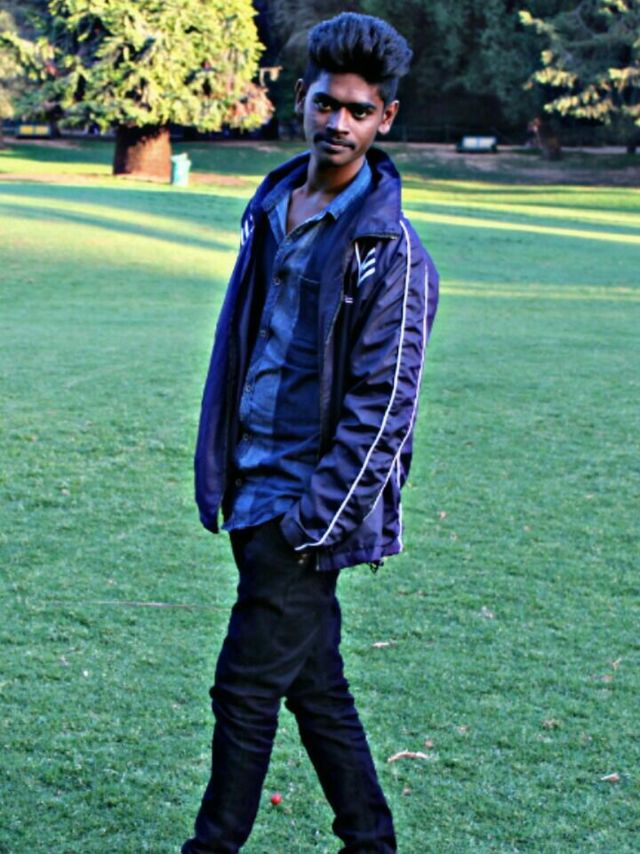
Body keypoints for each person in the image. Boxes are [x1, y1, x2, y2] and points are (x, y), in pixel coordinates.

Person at [183, 12, 439, 853]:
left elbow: (384, 410)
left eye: (360, 111)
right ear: (302, 98)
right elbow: (245, 342)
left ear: (385, 118)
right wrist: (223, 469)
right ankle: (371, 840)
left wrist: (311, 525)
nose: (339, 123)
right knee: (316, 686)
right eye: (327, 104)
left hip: (302, 508)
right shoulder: (270, 205)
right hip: (250, 482)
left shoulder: (392, 252)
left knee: (245, 691)